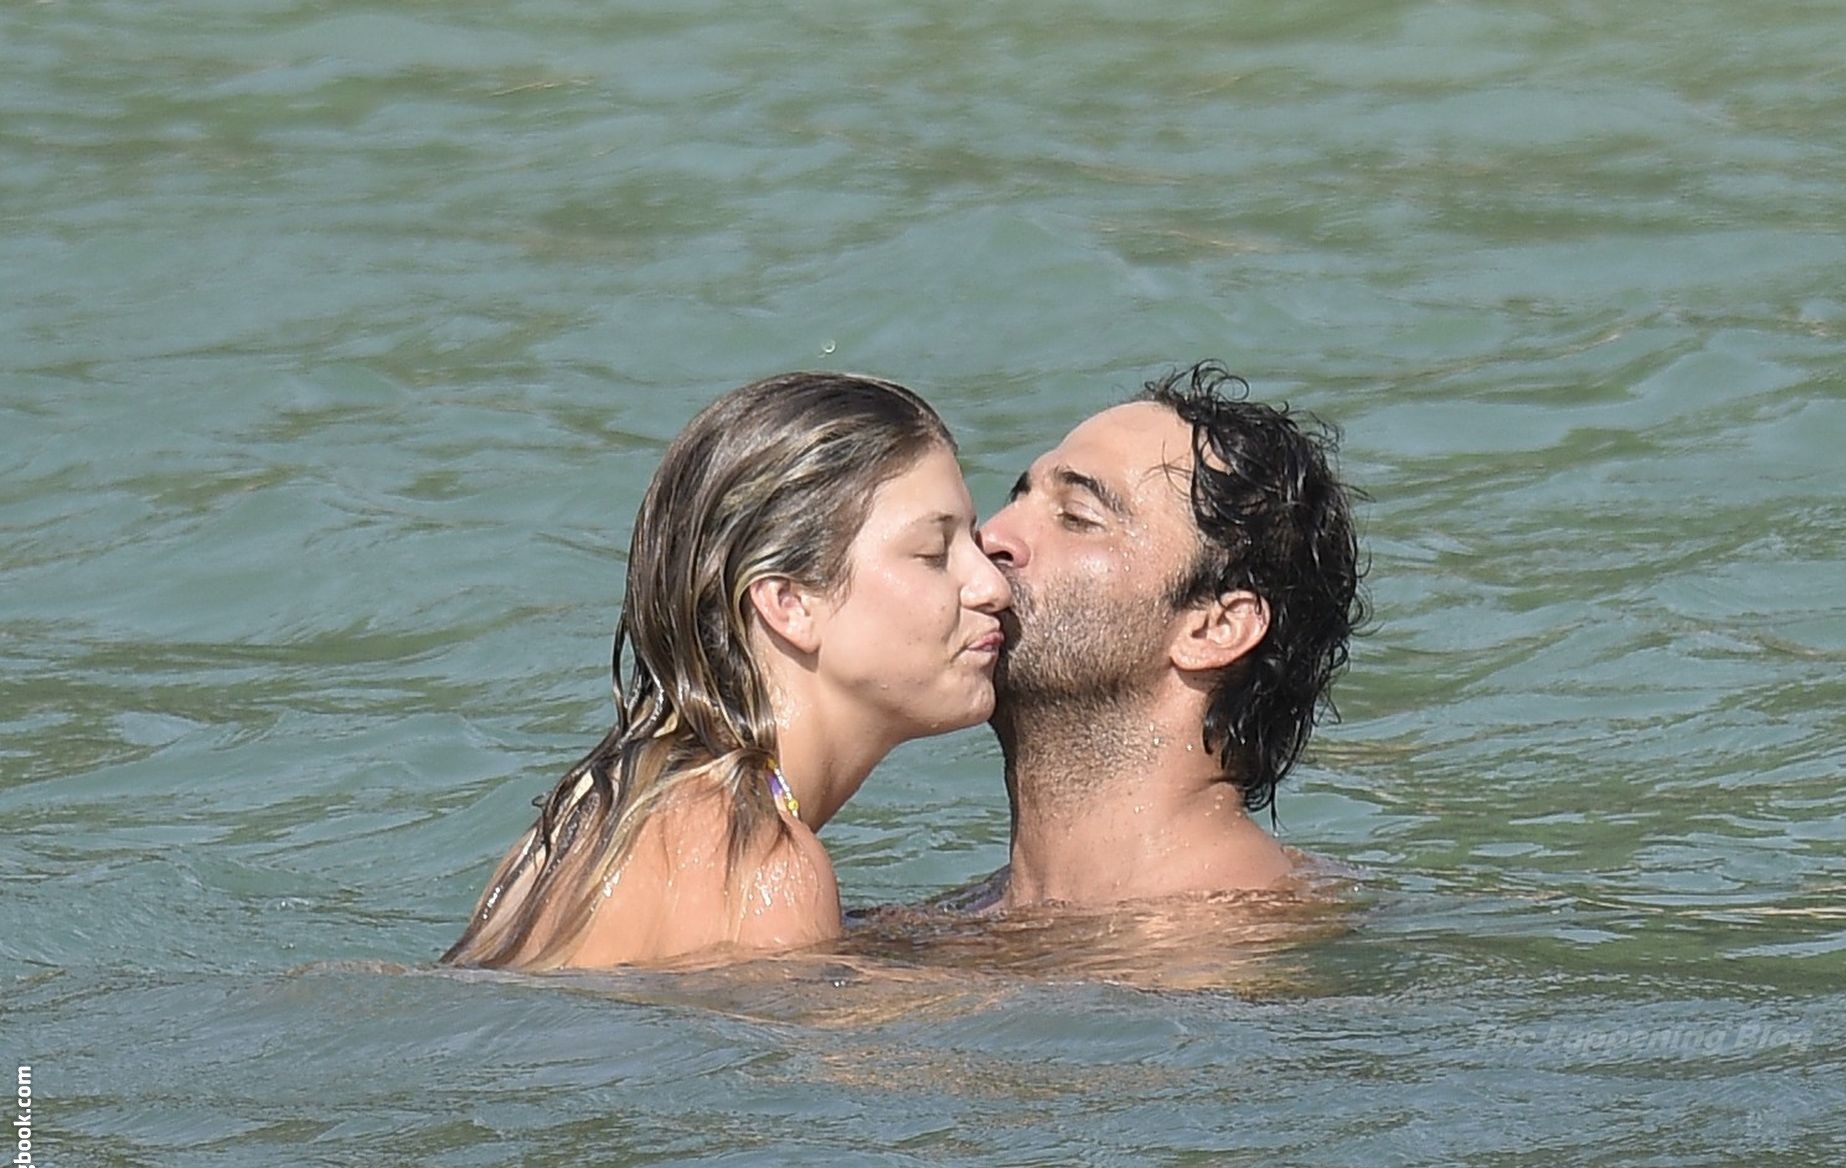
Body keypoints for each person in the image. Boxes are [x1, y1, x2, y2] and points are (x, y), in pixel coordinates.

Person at [442, 372, 1010, 971]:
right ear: (788, 602)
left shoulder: (593, 814)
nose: (992, 585)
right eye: (933, 554)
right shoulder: (762, 866)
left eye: (974, 541)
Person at [953, 360, 1366, 912]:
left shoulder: (1219, 939)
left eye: (1076, 516)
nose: (990, 536)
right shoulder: (970, 920)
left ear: (1215, 628)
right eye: (1017, 497)